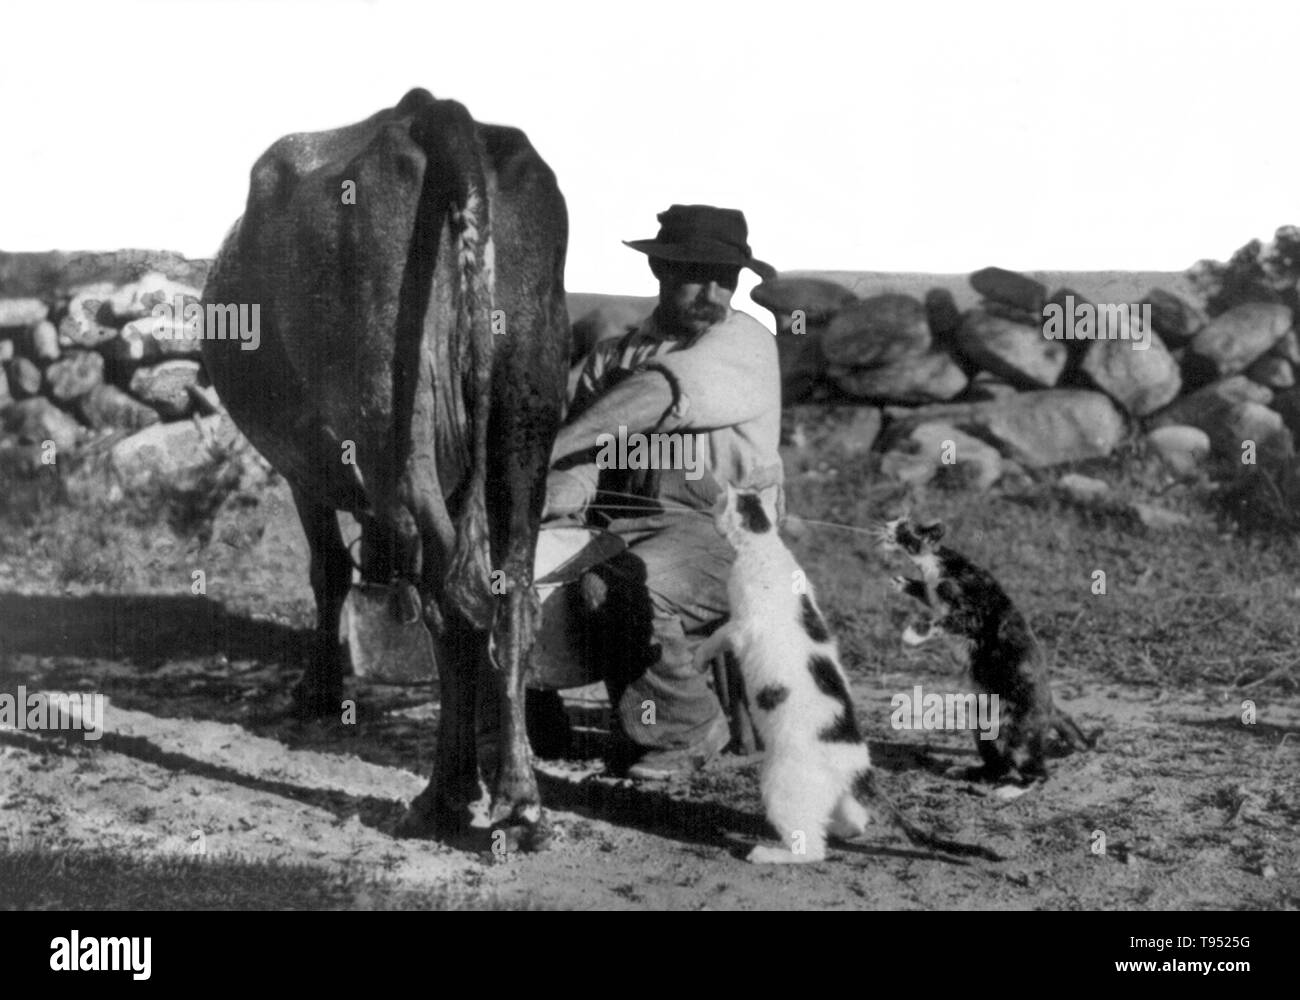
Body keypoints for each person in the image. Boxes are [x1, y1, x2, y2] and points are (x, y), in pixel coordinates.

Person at [542, 204, 784, 779]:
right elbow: (584, 459)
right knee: (522, 567)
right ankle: (533, 718)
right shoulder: (614, 355)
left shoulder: (744, 342)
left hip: (725, 533)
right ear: (660, 273)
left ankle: (687, 728)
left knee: (621, 585)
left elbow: (657, 394)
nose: (713, 293)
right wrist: (554, 494)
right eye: (695, 274)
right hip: (622, 526)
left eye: (726, 279)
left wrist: (550, 451)